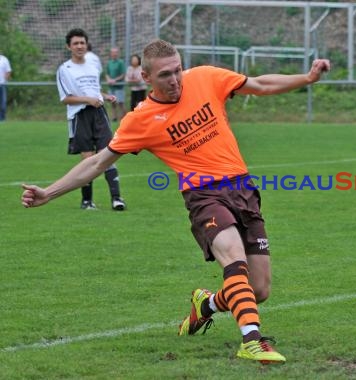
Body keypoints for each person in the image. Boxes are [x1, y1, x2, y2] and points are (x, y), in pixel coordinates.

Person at [22, 38, 331, 363]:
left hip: (242, 188)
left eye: (178, 70)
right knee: (234, 260)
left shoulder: (205, 78)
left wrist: (307, 79)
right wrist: (49, 193)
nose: (175, 80)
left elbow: (260, 85)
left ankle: (207, 304)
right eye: (165, 75)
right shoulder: (141, 120)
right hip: (203, 196)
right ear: (146, 78)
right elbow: (97, 163)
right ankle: (251, 341)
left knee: (259, 289)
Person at [55, 28, 126, 211]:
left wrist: (105, 96)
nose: (79, 46)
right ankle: (87, 201)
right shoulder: (64, 69)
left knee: (108, 155)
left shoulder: (93, 65)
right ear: (68, 47)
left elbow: (94, 92)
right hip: (80, 116)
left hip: (99, 113)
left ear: (87, 45)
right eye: (76, 43)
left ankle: (117, 199)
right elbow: (66, 98)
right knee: (87, 159)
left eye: (82, 43)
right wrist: (88, 100)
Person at [105, 46, 126, 121]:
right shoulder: (109, 63)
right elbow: (107, 73)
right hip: (111, 87)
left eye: (116, 52)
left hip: (119, 87)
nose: (114, 54)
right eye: (113, 52)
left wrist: (114, 80)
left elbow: (123, 74)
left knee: (120, 103)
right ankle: (114, 117)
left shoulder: (121, 62)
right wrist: (109, 79)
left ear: (118, 53)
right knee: (112, 103)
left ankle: (123, 118)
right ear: (110, 54)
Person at [0, 51, 12, 122]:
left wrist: (5, 81)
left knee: (3, 104)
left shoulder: (4, 59)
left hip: (2, 85)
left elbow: (8, 71)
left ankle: (2, 119)